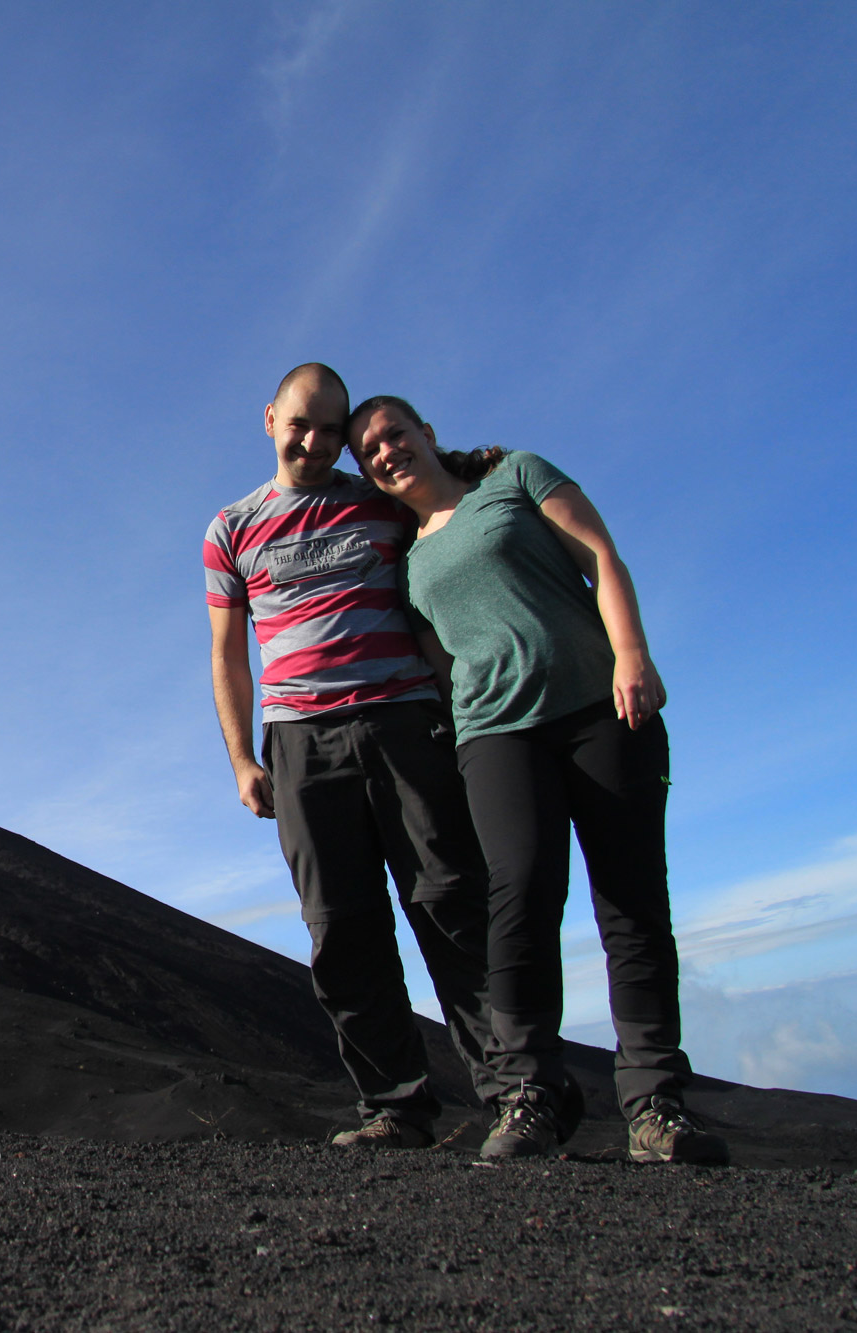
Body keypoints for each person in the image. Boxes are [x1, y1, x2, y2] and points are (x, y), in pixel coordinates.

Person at [347, 393, 728, 1165]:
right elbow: (437, 661)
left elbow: (599, 556)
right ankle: (530, 1095)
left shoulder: (516, 476)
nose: (387, 451)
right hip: (493, 734)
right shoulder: (409, 560)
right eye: (370, 451)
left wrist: (632, 655)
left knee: (632, 901)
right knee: (518, 899)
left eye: (395, 434)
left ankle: (654, 1103)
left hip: (599, 707)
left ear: (426, 430)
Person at [204, 363, 501, 1149]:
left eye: (331, 429)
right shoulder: (230, 529)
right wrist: (242, 758)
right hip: (299, 741)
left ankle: (513, 1095)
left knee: (451, 903)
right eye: (301, 422)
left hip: (405, 721)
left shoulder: (381, 501)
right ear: (269, 417)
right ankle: (396, 1108)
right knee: (340, 925)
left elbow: (449, 539)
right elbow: (228, 656)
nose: (314, 440)